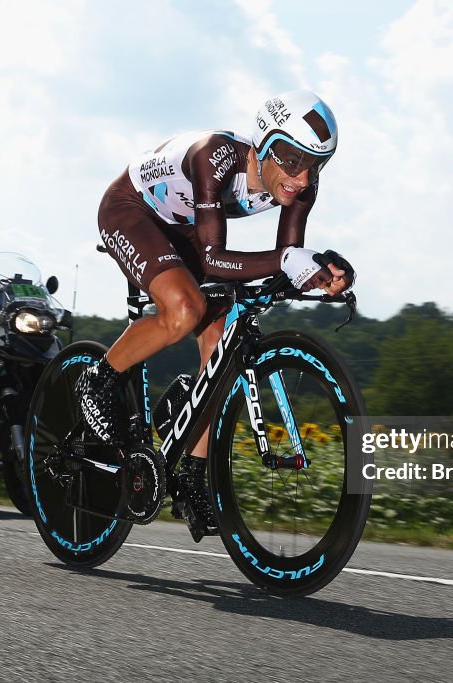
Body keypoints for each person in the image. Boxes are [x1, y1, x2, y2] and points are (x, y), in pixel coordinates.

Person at [76, 89, 356, 540]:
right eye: (290, 158)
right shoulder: (215, 156)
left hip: (185, 228)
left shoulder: (301, 183)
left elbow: (287, 255)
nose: (301, 177)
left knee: (220, 340)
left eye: (314, 164)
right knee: (186, 309)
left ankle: (192, 474)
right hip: (131, 210)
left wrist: (321, 271)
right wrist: (289, 262)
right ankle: (99, 378)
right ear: (262, 144)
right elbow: (211, 259)